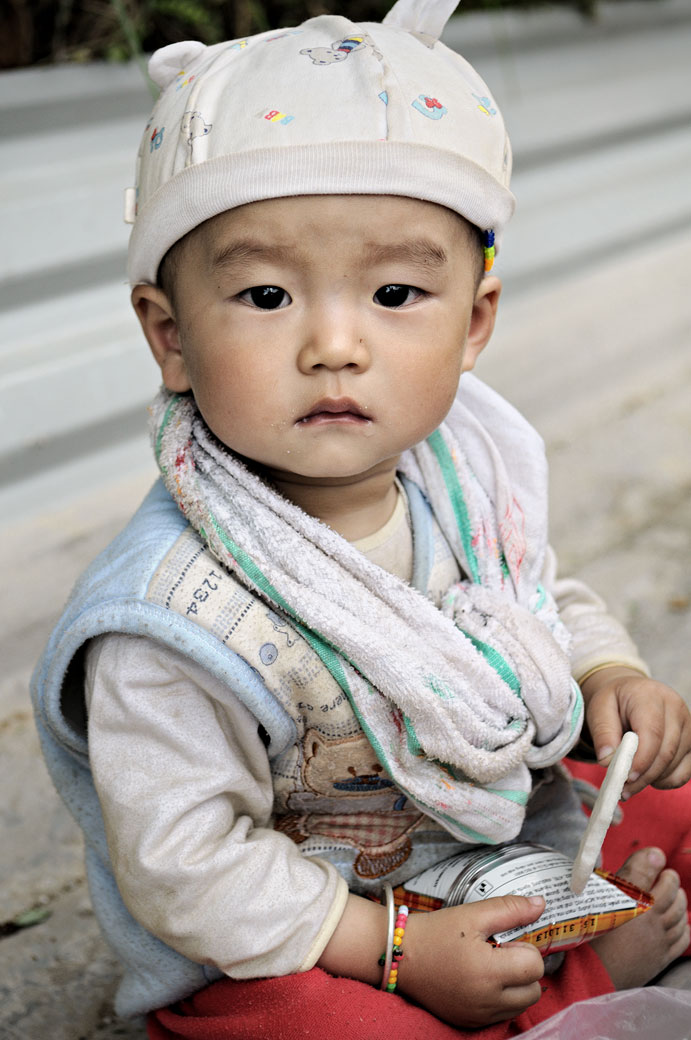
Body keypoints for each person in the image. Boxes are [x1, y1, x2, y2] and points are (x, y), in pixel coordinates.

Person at [31, 1, 691, 1036]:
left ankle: (547, 964)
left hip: (479, 838)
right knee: (323, 1022)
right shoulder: (169, 615)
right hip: (308, 923)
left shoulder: (463, 477)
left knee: (669, 807)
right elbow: (186, 864)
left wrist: (605, 674)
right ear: (168, 336)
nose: (333, 344)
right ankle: (569, 985)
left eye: (392, 290)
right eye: (263, 295)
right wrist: (395, 950)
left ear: (474, 321)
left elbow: (530, 591)